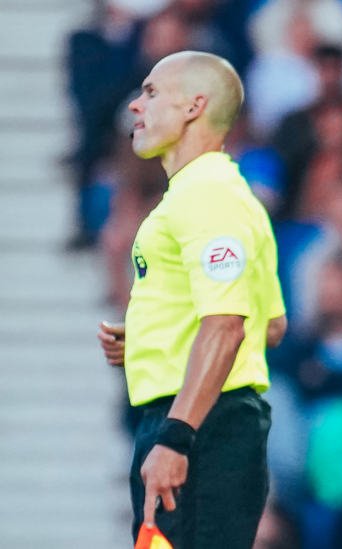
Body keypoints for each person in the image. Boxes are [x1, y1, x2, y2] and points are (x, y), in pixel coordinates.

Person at [96, 50, 288, 549]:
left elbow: (226, 325)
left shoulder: (204, 198)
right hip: (206, 422)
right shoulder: (232, 196)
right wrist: (149, 338)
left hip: (198, 429)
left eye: (152, 92)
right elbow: (269, 326)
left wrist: (176, 437)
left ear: (194, 106)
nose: (136, 106)